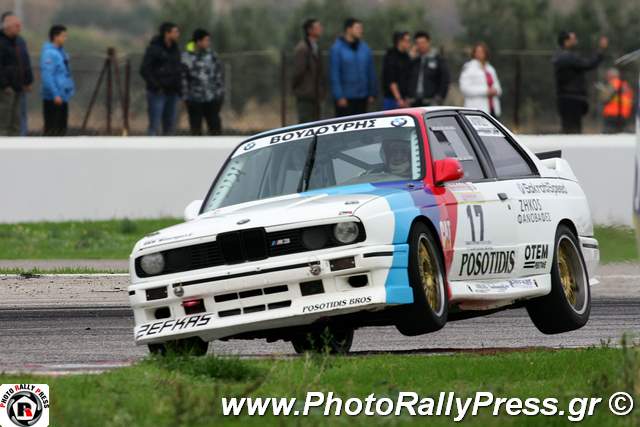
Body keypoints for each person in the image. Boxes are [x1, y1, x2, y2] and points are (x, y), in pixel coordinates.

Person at [553, 31, 608, 134]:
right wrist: (601, 51)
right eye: (573, 39)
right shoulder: (566, 57)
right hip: (570, 99)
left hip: (569, 98)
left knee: (571, 128)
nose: (576, 41)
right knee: (571, 130)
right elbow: (589, 64)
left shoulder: (562, 55)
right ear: (566, 42)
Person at [140, 22, 182, 136]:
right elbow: (144, 70)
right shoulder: (154, 49)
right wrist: (156, 86)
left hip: (173, 93)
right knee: (154, 125)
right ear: (167, 33)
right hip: (157, 93)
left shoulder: (175, 49)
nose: (177, 34)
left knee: (169, 126)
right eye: (175, 32)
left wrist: (179, 89)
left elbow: (178, 69)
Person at [329, 18, 377, 117]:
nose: (361, 31)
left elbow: (370, 71)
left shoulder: (365, 48)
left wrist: (372, 92)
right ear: (349, 29)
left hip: (362, 97)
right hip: (346, 98)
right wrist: (339, 96)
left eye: (361, 28)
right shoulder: (337, 49)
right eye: (358, 28)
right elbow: (334, 74)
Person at [181, 29, 224, 136]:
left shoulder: (212, 55)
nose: (208, 43)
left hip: (211, 97)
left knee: (215, 128)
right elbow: (183, 78)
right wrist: (185, 97)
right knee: (196, 129)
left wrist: (219, 94)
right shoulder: (186, 57)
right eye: (206, 40)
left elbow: (218, 75)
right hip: (194, 98)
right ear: (198, 41)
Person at [0, 12, 33, 136]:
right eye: (16, 25)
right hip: (5, 90)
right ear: (6, 26)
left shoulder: (20, 41)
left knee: (17, 122)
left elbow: (25, 62)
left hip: (19, 87)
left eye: (19, 25)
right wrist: (4, 85)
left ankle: (15, 145)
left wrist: (28, 81)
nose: (19, 27)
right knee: (3, 122)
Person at [40, 25, 74, 136]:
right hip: (53, 98)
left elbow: (64, 74)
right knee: (52, 129)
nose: (65, 39)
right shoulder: (49, 53)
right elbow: (47, 76)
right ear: (55, 37)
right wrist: (55, 94)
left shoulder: (61, 53)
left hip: (62, 96)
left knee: (61, 129)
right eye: (63, 36)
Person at [292, 18, 326, 123]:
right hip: (306, 95)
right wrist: (301, 89)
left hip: (315, 95)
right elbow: (298, 72)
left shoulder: (315, 47)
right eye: (318, 27)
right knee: (305, 123)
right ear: (309, 30)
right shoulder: (302, 48)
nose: (321, 29)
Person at [459, 42, 502, 118]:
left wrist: (496, 91)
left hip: (492, 110)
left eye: (482, 51)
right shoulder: (468, 67)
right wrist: (485, 91)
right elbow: (464, 89)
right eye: (478, 51)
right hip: (476, 110)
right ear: (474, 53)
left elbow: (498, 87)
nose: (480, 54)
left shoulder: (490, 68)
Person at [407, 31, 449, 107]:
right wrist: (410, 58)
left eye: (423, 43)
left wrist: (440, 96)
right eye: (418, 43)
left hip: (431, 101)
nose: (421, 45)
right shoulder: (413, 59)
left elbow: (445, 78)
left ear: (429, 42)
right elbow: (404, 76)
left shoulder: (437, 58)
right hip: (413, 101)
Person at [381, 31, 412, 110]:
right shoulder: (391, 56)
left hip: (404, 98)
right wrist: (398, 98)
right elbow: (391, 80)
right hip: (392, 99)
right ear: (399, 41)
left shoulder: (406, 57)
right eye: (407, 41)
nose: (409, 43)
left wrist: (406, 98)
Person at [599, 68, 632, 134]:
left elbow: (604, 98)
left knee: (609, 135)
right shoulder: (625, 85)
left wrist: (603, 91)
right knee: (622, 135)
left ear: (611, 76)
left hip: (611, 114)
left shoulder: (612, 84)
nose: (606, 78)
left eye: (607, 76)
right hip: (624, 115)